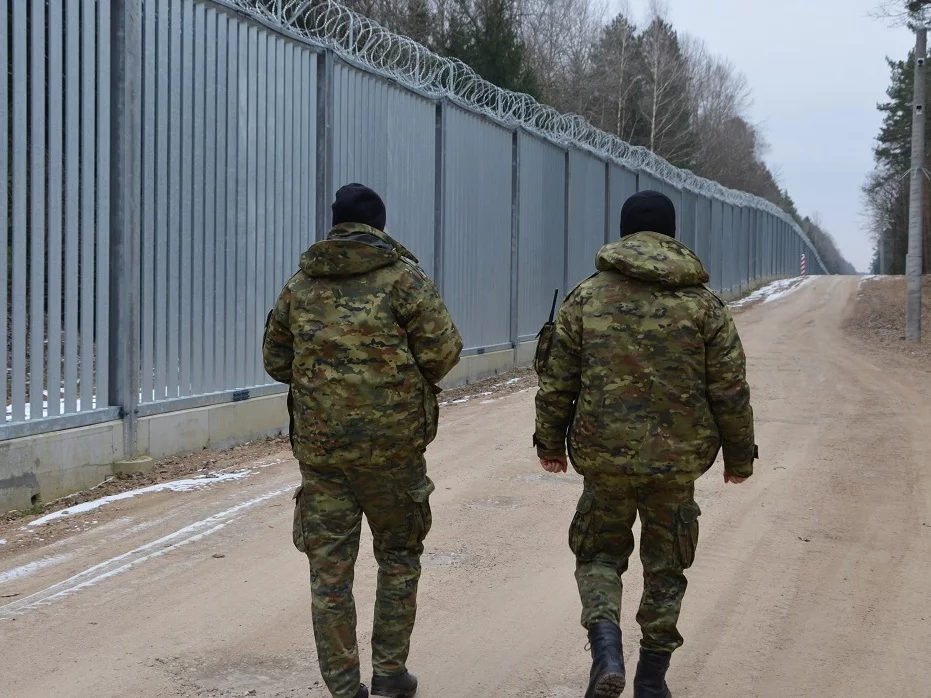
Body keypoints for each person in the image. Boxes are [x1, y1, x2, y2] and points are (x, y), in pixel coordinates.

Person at [533, 190, 756, 698]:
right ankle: (652, 680)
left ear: (624, 232)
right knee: (667, 564)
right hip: (677, 463)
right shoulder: (703, 306)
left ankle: (606, 649)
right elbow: (729, 389)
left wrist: (550, 443)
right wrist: (739, 457)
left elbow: (556, 382)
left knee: (598, 555)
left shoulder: (587, 297)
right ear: (673, 234)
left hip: (603, 457)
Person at [263, 183, 463, 698]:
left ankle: (344, 688)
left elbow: (275, 361)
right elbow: (443, 353)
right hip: (394, 451)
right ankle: (391, 673)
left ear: (334, 224)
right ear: (379, 224)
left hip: (323, 453)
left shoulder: (300, 285)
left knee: (329, 574)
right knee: (398, 556)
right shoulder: (404, 280)